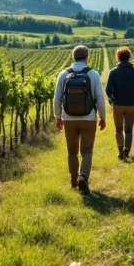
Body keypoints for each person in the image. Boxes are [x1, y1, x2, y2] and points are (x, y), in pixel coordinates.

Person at [53, 45, 106, 194]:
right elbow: (100, 99)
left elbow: (57, 99)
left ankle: (73, 179)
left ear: (73, 57)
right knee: (87, 150)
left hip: (68, 118)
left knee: (71, 150)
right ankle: (83, 177)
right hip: (88, 118)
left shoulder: (63, 74)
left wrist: (58, 117)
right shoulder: (93, 74)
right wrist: (103, 117)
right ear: (87, 57)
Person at [105, 46, 134, 161]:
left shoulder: (113, 72)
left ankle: (120, 151)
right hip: (131, 104)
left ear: (117, 57)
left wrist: (112, 99)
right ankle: (126, 151)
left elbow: (108, 89)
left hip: (117, 104)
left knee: (118, 130)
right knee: (128, 130)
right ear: (129, 57)